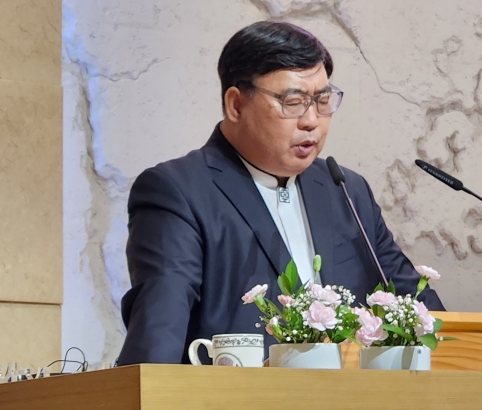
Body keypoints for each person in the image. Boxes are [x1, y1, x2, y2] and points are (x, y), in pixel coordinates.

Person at [117, 21, 444, 365]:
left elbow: (420, 311)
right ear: (236, 104)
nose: (311, 120)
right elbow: (158, 336)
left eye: (322, 100)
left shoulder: (346, 190)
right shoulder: (179, 191)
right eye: (293, 102)